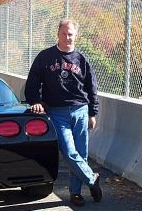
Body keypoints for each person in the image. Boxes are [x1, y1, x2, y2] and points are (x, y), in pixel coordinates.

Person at [25, 18, 102, 207]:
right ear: (58, 34)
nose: (67, 37)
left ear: (75, 36)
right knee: (68, 151)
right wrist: (36, 101)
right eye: (64, 33)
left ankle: (75, 194)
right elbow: (33, 82)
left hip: (81, 110)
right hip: (57, 112)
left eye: (71, 34)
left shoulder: (82, 59)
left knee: (81, 153)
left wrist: (93, 113)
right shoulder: (45, 57)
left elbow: (92, 88)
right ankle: (92, 178)